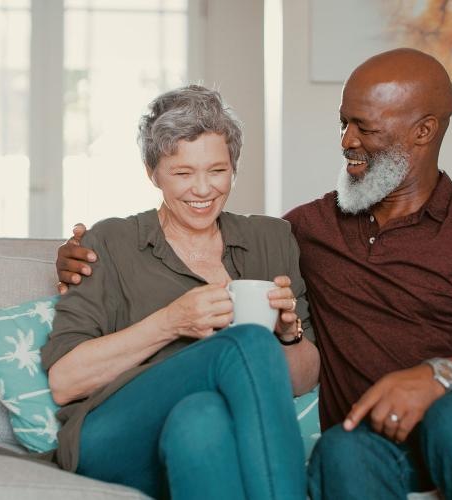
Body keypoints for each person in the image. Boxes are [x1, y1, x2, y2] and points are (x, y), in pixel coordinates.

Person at [58, 49, 452, 499]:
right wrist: (73, 257)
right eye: (343, 124)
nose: (346, 141)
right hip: (374, 436)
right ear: (154, 173)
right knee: (339, 448)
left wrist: (436, 377)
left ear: (422, 131)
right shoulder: (308, 229)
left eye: (364, 128)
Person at [45, 85, 319, 500]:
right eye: (183, 173)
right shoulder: (110, 242)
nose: (203, 189)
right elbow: (65, 382)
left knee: (201, 419)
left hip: (201, 432)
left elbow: (303, 379)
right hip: (113, 437)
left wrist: (288, 334)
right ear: (152, 172)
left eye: (217, 170)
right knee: (244, 342)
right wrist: (171, 322)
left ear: (234, 167)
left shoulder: (271, 239)